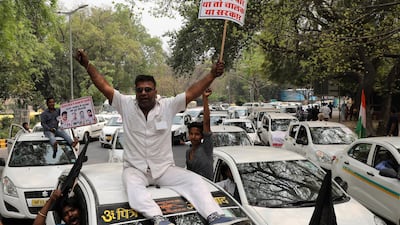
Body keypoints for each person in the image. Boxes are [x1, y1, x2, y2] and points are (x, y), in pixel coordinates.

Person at [75, 49, 244, 225]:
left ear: (155, 91)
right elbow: (103, 85)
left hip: (164, 169)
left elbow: (192, 92)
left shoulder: (168, 106)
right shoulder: (125, 104)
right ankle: (158, 218)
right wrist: (87, 65)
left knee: (194, 180)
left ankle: (214, 215)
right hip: (135, 169)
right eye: (139, 90)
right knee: (132, 188)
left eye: (148, 89)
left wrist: (211, 75)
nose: (143, 93)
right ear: (135, 92)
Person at [186, 88, 213, 180]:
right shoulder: (188, 152)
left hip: (207, 189)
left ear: (201, 136)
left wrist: (205, 99)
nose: (193, 137)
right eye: (191, 134)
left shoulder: (206, 148)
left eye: (197, 134)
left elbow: (206, 122)